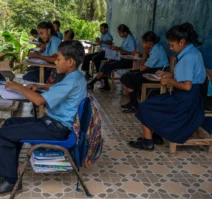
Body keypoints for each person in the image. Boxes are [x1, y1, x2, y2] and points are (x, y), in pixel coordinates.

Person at [0, 40, 87, 195]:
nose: (55, 62)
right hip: (54, 124)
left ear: (70, 62)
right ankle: (7, 173)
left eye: (58, 59)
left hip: (56, 129)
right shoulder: (76, 77)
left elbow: (39, 101)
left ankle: (11, 182)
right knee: (10, 122)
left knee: (1, 135)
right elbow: (59, 88)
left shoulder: (71, 80)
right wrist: (41, 86)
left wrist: (18, 87)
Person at [128, 23, 206, 151]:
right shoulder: (193, 52)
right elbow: (187, 75)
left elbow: (186, 86)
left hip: (186, 100)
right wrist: (168, 74)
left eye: (172, 45)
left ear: (181, 42)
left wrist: (169, 80)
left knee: (145, 105)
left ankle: (148, 142)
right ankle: (156, 136)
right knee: (155, 99)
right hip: (192, 97)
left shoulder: (187, 58)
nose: (170, 48)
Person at [120, 31, 169, 113]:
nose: (143, 45)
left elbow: (142, 68)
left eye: (144, 42)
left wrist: (145, 53)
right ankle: (132, 102)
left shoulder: (156, 50)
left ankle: (135, 105)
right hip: (152, 70)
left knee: (126, 78)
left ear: (149, 43)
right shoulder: (155, 47)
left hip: (157, 72)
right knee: (129, 74)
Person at [87, 24, 136, 90]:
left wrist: (119, 49)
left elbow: (132, 53)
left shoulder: (130, 39)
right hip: (121, 58)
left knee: (107, 66)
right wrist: (116, 48)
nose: (118, 34)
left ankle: (92, 83)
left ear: (125, 32)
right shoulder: (125, 38)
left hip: (128, 61)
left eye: (119, 33)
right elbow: (124, 49)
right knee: (105, 64)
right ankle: (105, 84)